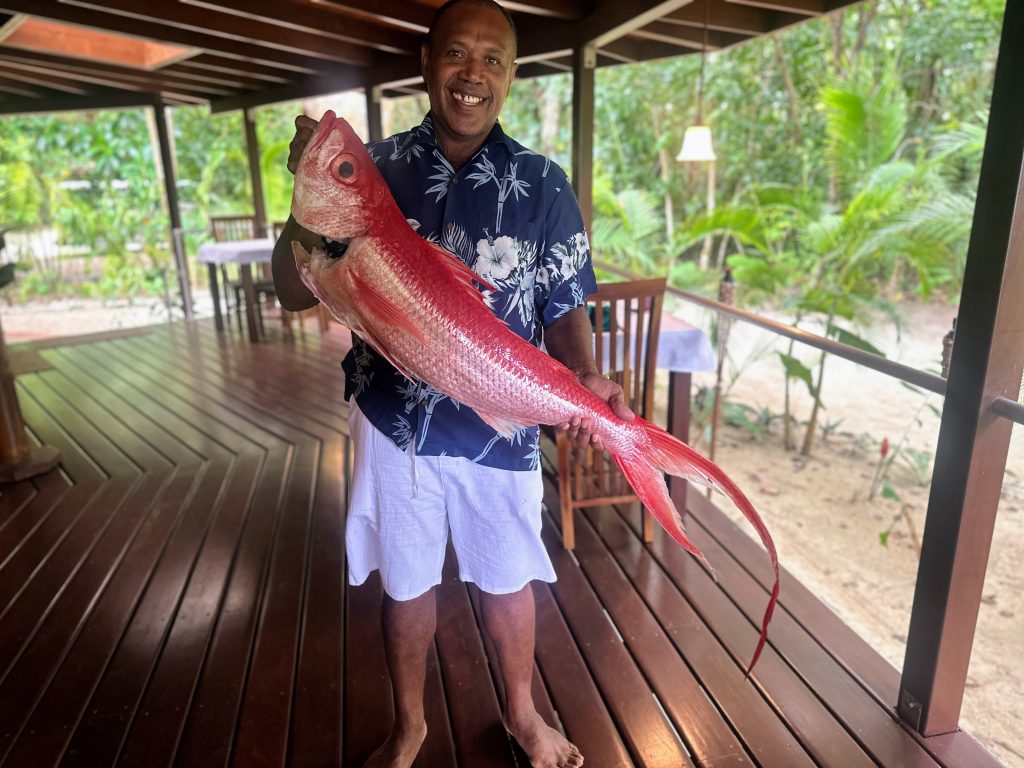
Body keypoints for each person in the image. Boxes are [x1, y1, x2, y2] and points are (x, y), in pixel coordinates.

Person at [272, 2, 631, 766]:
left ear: (509, 76)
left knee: (507, 581)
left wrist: (589, 377)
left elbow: (565, 307)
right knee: (406, 586)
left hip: (501, 423)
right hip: (393, 421)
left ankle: (526, 717)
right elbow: (293, 290)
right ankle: (411, 727)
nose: (473, 75)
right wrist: (307, 196)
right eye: (457, 55)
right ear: (428, 62)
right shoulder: (373, 167)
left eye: (492, 60)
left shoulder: (544, 185)